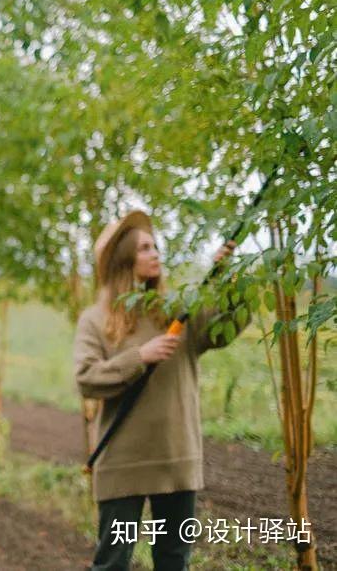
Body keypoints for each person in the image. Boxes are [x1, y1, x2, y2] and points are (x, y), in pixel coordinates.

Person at [73, 210, 247, 571]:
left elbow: (224, 330)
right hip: (122, 462)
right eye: (145, 248)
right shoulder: (96, 319)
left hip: (177, 458)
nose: (156, 254)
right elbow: (86, 379)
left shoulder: (177, 311)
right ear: (124, 259)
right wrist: (140, 356)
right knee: (113, 563)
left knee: (173, 560)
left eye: (156, 247)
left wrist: (228, 277)